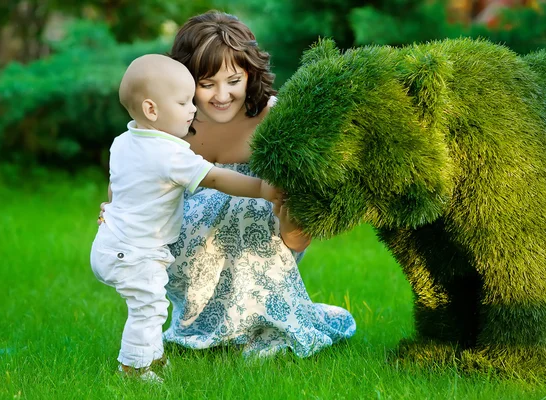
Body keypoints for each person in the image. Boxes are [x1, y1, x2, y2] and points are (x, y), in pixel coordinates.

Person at [100, 10, 356, 358]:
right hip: (183, 245)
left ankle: (266, 325)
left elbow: (299, 226)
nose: (222, 95)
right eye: (207, 85)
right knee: (206, 205)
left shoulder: (275, 120)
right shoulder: (170, 125)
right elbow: (131, 174)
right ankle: (205, 325)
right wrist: (117, 213)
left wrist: (288, 215)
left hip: (267, 235)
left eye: (233, 81)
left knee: (244, 204)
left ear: (250, 75)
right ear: (185, 82)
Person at [90, 53, 283, 383]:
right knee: (148, 308)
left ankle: (154, 355)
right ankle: (133, 369)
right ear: (152, 110)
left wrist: (114, 210)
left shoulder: (123, 142)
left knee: (150, 305)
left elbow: (115, 187)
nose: (193, 109)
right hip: (138, 252)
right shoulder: (170, 153)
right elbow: (216, 178)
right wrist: (264, 189)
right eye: (183, 102)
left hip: (111, 244)